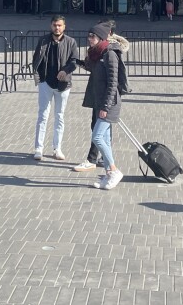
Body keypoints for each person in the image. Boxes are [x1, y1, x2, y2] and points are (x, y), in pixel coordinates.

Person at [79, 24, 123, 189]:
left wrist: (105, 107)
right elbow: (91, 69)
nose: (89, 38)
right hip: (100, 102)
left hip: (109, 104)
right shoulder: (97, 54)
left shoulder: (110, 54)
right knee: (103, 138)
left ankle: (113, 170)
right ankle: (108, 174)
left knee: (97, 138)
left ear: (101, 37)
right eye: (88, 35)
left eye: (93, 36)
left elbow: (113, 83)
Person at [31, 15, 79, 161]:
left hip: (63, 85)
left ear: (64, 26)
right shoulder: (44, 40)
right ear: (50, 26)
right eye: (54, 25)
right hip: (46, 83)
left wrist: (65, 71)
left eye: (59, 25)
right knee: (42, 116)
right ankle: (39, 148)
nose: (57, 28)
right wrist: (39, 79)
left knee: (59, 116)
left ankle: (57, 148)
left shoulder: (71, 42)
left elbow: (74, 61)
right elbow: (36, 60)